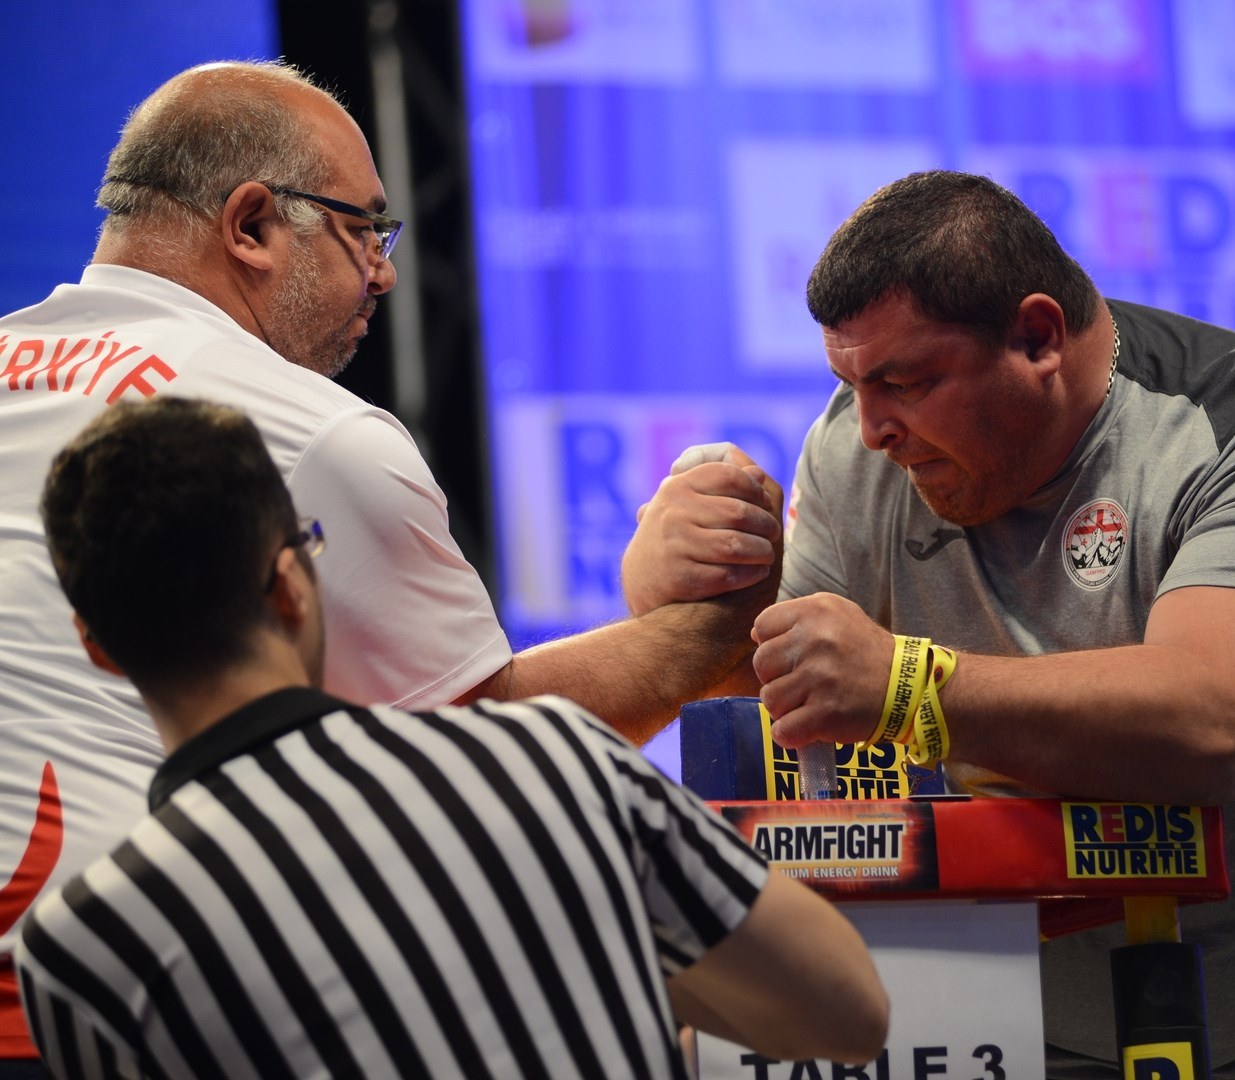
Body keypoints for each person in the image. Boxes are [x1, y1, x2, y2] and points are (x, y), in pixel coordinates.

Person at [0, 60, 782, 1071]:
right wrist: (725, 624)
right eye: (363, 229)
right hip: (134, 1016)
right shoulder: (308, 433)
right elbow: (472, 754)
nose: (385, 271)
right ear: (251, 226)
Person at [623, 171, 1235, 1078]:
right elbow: (795, 695)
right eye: (849, 383)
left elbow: (1218, 725)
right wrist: (669, 590)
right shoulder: (860, 455)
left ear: (1037, 336)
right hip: (1018, 1048)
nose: (870, 432)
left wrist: (907, 685)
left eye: (904, 381)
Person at [14, 397, 886, 1079]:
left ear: (97, 645)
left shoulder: (80, 944)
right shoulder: (553, 755)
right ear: (291, 585)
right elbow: (849, 1012)